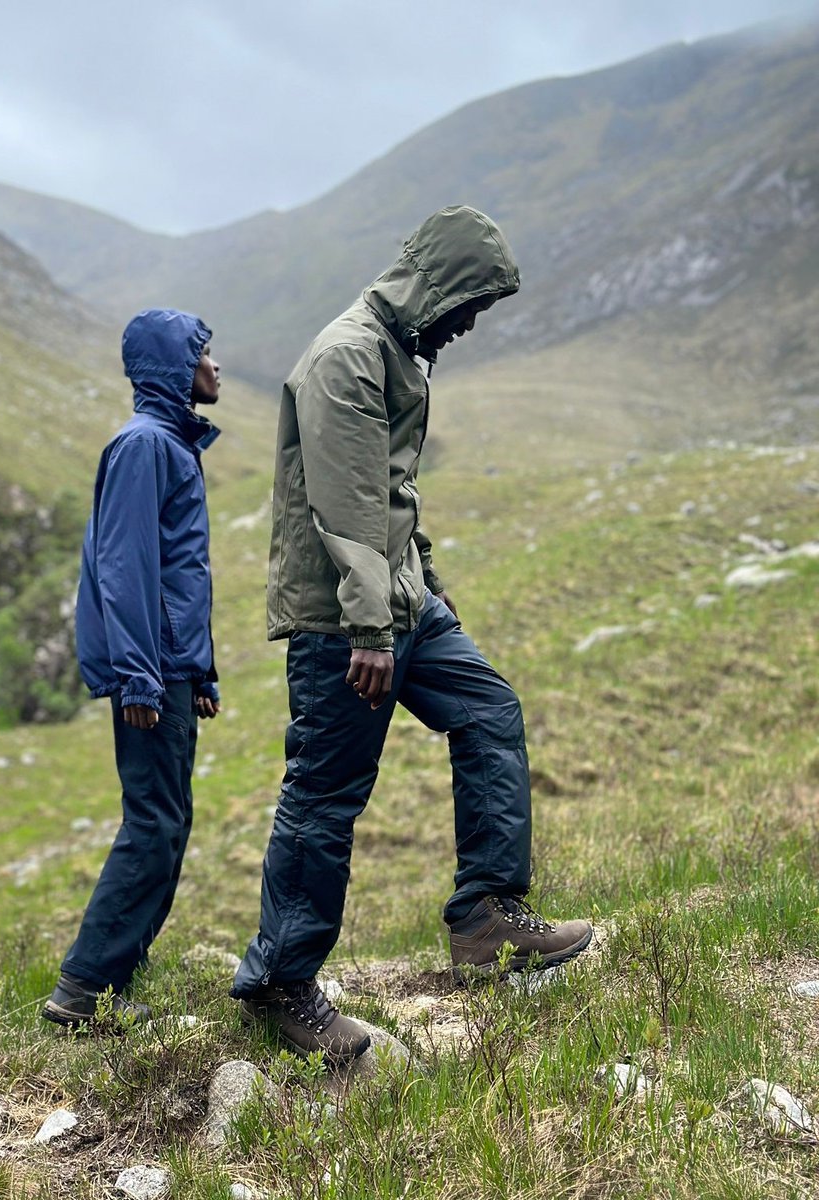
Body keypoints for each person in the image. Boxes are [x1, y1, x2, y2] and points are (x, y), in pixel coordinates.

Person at [231, 205, 593, 1064]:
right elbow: (347, 509)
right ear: (437, 286)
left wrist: (431, 595)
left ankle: (486, 922)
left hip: (402, 610)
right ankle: (280, 985)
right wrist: (371, 626)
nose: (470, 324)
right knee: (326, 798)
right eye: (469, 304)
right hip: (347, 624)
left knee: (490, 710)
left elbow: (396, 503)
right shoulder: (347, 357)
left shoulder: (400, 352)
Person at [43, 308, 222, 1029]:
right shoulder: (145, 446)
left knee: (167, 820)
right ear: (177, 367)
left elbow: (175, 574)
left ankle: (116, 980)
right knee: (152, 823)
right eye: (205, 354)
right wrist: (141, 675)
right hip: (148, 675)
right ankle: (84, 988)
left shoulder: (168, 445)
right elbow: (125, 570)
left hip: (169, 670)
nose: (216, 367)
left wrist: (197, 672)